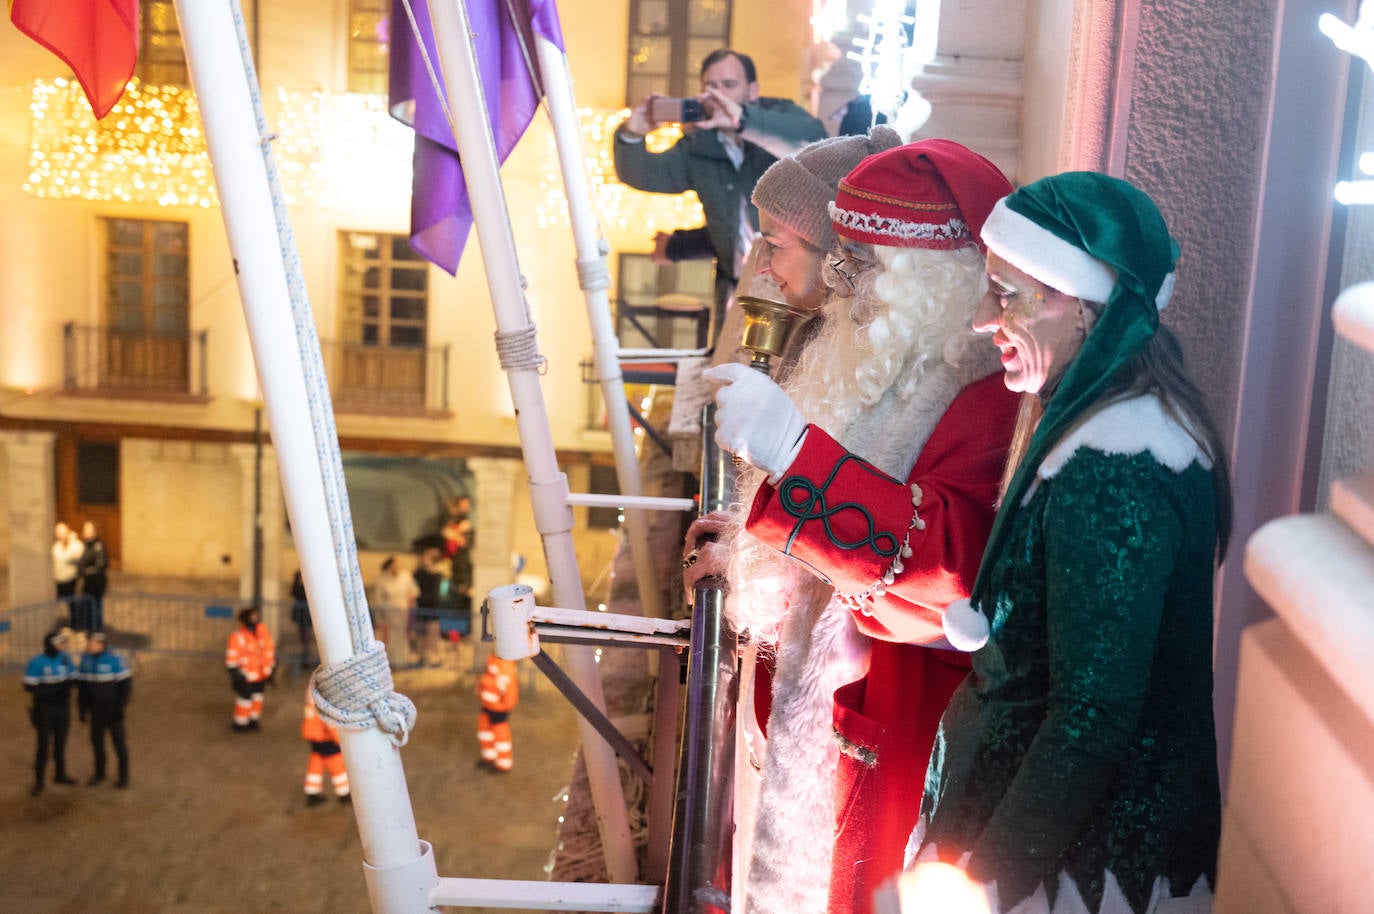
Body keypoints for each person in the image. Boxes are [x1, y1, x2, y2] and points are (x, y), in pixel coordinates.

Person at [690, 140, 1018, 914]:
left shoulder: (982, 394)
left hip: (902, 720)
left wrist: (793, 456)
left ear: (927, 282)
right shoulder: (889, 355)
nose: (842, 289)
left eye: (862, 271)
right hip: (836, 712)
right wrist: (747, 539)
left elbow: (944, 571)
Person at [891, 173, 1232, 914]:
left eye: (1006, 294)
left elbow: (1093, 713)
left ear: (1081, 306)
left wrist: (984, 886)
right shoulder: (1099, 430)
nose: (985, 319)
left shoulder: (1122, 459)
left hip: (1082, 874)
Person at [614, 48, 827, 329]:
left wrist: (742, 121)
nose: (718, 95)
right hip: (740, 289)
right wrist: (632, 132)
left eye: (729, 85)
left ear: (752, 91)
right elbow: (643, 173)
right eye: (710, 87)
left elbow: (810, 138)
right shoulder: (698, 146)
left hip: (802, 281)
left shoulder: (777, 116)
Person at [24, 629, 78, 796]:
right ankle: (39, 781)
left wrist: (59, 689)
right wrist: (56, 690)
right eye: (60, 643)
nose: (63, 645)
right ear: (51, 644)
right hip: (44, 709)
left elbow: (73, 679)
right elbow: (29, 686)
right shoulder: (36, 662)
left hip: (62, 708)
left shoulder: (65, 658)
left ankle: (60, 774)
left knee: (60, 743)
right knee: (43, 745)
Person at [77, 629, 131, 788]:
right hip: (96, 711)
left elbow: (125, 687)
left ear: (100, 644)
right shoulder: (85, 659)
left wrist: (119, 708)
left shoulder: (116, 659)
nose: (87, 645)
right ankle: (100, 774)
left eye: (90, 642)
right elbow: (83, 687)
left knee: (119, 744)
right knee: (97, 743)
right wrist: (82, 708)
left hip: (112, 711)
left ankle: (123, 777)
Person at [225, 605, 276, 732]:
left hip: (260, 674)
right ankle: (241, 723)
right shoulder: (237, 637)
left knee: (257, 699)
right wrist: (237, 676)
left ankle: (253, 721)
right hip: (246, 676)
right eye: (252, 616)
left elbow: (268, 653)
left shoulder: (262, 633)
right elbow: (232, 659)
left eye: (256, 615)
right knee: (244, 700)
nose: (255, 618)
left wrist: (270, 670)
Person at [300, 686, 351, 806]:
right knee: (336, 763)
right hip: (325, 738)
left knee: (316, 761)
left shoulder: (312, 696)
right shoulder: (325, 701)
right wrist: (340, 740)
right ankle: (344, 793)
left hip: (314, 736)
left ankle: (312, 792)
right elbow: (330, 725)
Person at [476, 651, 519, 773]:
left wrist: (506, 705)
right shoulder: (494, 656)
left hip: (499, 706)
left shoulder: (505, 662)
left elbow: (507, 687)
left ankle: (504, 764)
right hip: (488, 703)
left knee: (500, 734)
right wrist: (480, 689)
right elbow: (488, 675)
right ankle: (489, 756)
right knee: (485, 729)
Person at [373, 555, 420, 668]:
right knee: (390, 639)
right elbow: (378, 599)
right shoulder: (382, 579)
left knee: (402, 638)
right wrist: (380, 617)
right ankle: (390, 662)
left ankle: (402, 661)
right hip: (389, 614)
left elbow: (415, 592)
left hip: (404, 612)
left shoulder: (406, 576)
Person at [412, 547, 446, 667]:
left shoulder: (437, 575)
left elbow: (434, 595)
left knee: (433, 638)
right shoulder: (418, 574)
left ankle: (434, 659)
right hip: (421, 611)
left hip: (432, 612)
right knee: (421, 637)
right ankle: (422, 658)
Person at [77, 520, 109, 632]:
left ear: (95, 531)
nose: (87, 531)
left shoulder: (98, 545)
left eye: (90, 529)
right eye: (85, 529)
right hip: (88, 583)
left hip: (96, 584)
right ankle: (90, 630)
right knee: (88, 608)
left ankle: (97, 632)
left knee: (96, 608)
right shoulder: (86, 544)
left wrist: (84, 571)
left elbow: (101, 565)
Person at [52, 522, 83, 608]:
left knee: (72, 603)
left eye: (63, 533)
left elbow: (80, 561)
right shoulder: (56, 546)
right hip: (59, 579)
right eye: (59, 534)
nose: (61, 536)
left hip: (71, 579)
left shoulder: (77, 545)